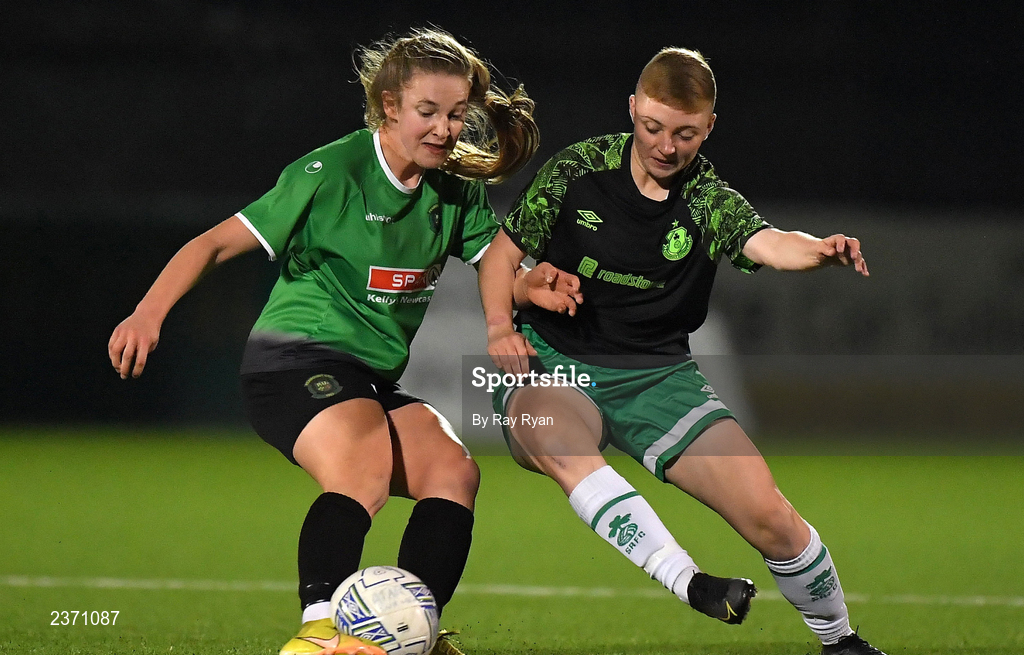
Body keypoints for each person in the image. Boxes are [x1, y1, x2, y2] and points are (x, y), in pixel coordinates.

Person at [108, 28, 575, 655]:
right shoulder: (332, 172)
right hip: (294, 359)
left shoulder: (455, 192)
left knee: (453, 471)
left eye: (456, 115)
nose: (443, 129)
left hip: (370, 376)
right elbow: (213, 242)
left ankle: (412, 632)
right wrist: (147, 312)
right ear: (390, 106)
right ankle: (319, 631)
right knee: (362, 473)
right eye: (427, 112)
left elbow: (498, 265)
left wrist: (531, 286)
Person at [479, 47, 885, 655]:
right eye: (653, 127)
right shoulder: (578, 169)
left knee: (770, 516)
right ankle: (688, 581)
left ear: (709, 127)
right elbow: (503, 254)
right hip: (550, 363)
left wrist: (817, 250)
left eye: (686, 134)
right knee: (562, 446)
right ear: (634, 108)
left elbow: (767, 240)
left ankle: (842, 642)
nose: (667, 147)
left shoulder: (706, 198)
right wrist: (498, 329)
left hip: (657, 377)